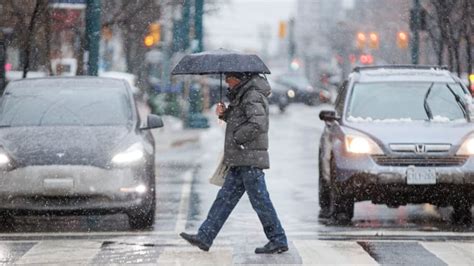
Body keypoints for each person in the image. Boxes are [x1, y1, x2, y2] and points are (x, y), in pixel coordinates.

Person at [180, 72, 288, 254]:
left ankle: (278, 239)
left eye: (228, 78)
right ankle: (205, 236)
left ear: (238, 78)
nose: (226, 82)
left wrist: (237, 139)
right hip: (241, 159)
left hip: (249, 158)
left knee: (260, 200)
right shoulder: (244, 94)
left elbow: (257, 123)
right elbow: (242, 119)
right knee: (225, 199)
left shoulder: (251, 95)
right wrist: (225, 114)